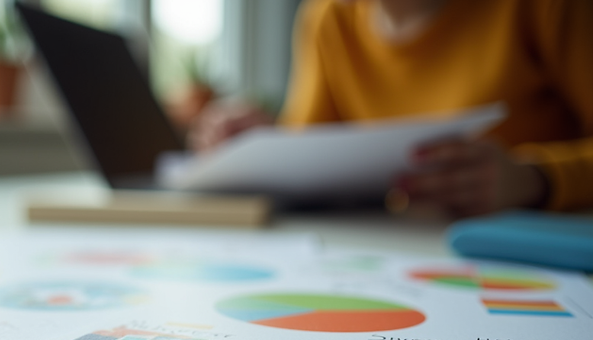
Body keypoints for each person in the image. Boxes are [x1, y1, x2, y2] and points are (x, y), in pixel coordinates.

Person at [190, 0, 593, 216]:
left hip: (530, 254)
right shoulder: (328, 18)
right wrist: (259, 143)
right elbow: (311, 154)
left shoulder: (547, 8)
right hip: (401, 247)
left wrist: (538, 179)